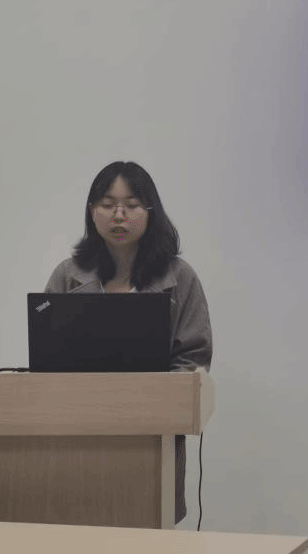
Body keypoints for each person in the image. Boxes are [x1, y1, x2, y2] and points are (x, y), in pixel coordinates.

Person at [45, 160, 212, 524]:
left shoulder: (179, 278)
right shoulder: (67, 276)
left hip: (152, 439)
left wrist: (140, 401)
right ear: (92, 211)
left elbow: (193, 360)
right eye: (107, 204)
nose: (118, 215)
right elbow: (47, 360)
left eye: (132, 205)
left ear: (151, 212)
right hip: (78, 437)